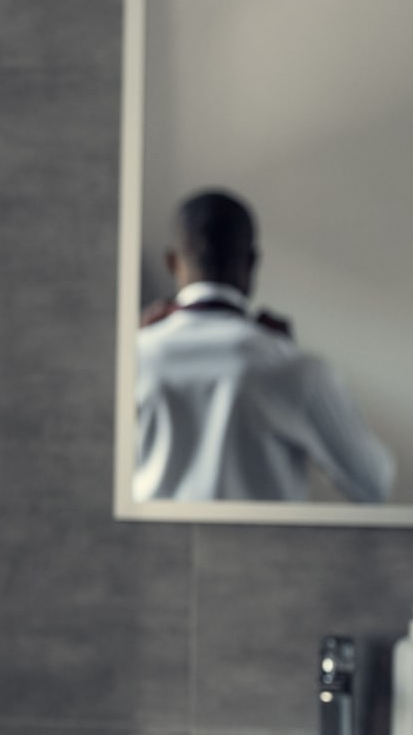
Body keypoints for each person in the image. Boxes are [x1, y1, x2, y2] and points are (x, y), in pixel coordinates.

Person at [134, 189, 393, 503]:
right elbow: (373, 483)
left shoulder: (131, 358)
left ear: (172, 262)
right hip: (263, 552)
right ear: (253, 261)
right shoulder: (296, 369)